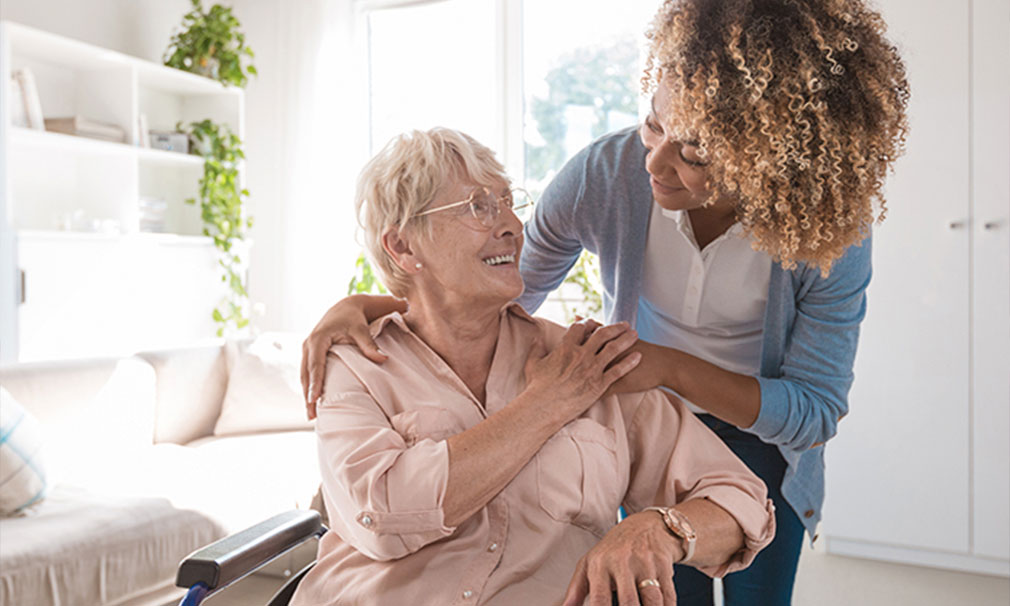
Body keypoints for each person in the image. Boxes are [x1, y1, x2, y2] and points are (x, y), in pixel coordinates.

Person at [300, 1, 909, 604]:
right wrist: (374, 303)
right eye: (652, 124)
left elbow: (815, 408)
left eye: (694, 151)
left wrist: (666, 371)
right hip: (636, 388)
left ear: (768, 160)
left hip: (742, 425)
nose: (654, 160)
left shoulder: (828, 229)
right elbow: (499, 288)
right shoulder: (608, 175)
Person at [290, 128, 774, 606]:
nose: (512, 225)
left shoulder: (586, 363)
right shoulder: (355, 364)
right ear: (403, 247)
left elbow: (744, 502)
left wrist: (662, 530)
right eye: (478, 206)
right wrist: (546, 404)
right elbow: (384, 515)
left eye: (507, 202)